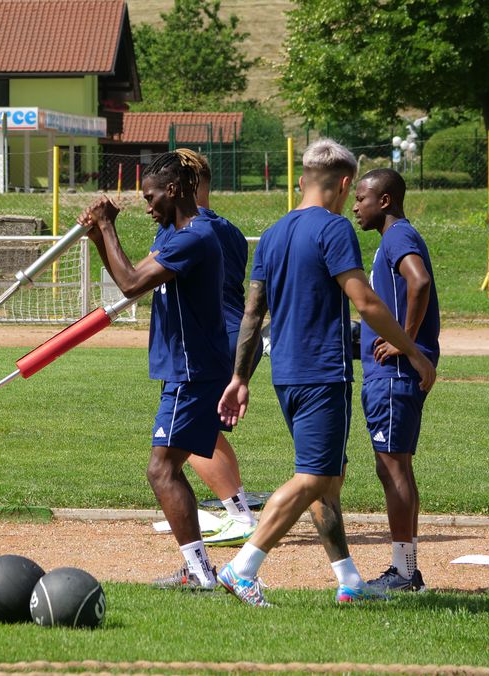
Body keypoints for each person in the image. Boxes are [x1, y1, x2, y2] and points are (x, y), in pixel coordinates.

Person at [215, 139, 436, 607]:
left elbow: (253, 313)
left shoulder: (273, 234)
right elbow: (366, 301)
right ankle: (243, 567)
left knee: (328, 478)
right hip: (323, 373)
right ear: (343, 183)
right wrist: (412, 351)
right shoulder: (335, 229)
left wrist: (240, 377)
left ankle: (349, 580)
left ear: (301, 181)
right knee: (314, 478)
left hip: (286, 373)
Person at [78, 151, 232, 590]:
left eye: (150, 198)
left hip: (193, 370)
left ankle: (200, 573)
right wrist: (97, 236)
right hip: (189, 368)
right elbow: (133, 282)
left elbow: (129, 283)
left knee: (161, 470)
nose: (147, 207)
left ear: (174, 190)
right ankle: (199, 569)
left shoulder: (194, 238)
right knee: (167, 467)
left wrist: (108, 226)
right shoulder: (175, 234)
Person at [352, 168, 439, 592]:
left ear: (384, 201)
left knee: (392, 468)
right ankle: (406, 568)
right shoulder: (393, 238)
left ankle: (405, 572)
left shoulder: (397, 236)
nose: (355, 206)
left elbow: (418, 282)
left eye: (362, 198)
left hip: (394, 372)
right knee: (396, 466)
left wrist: (403, 341)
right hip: (393, 369)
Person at [173, 148, 257, 547]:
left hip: (210, 338)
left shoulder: (187, 229)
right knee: (201, 429)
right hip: (234, 334)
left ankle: (239, 515)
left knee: (186, 434)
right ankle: (237, 509)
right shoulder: (230, 230)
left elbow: (144, 275)